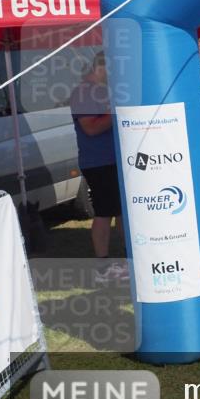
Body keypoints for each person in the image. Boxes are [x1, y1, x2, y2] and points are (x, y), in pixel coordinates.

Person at [69, 52, 127, 285]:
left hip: (115, 160)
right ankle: (102, 267)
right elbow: (91, 128)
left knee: (122, 211)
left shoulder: (104, 91)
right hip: (98, 162)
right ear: (102, 67)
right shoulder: (83, 93)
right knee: (104, 212)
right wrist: (117, 111)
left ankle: (128, 258)